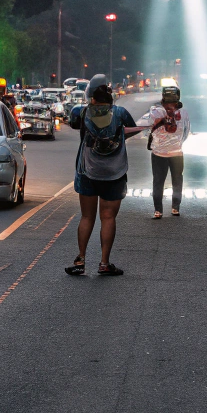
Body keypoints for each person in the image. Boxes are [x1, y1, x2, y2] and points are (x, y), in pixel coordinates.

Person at [65, 75, 141, 277]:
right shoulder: (120, 112)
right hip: (114, 173)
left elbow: (72, 123)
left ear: (92, 98)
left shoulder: (81, 112)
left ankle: (80, 260)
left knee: (87, 216)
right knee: (108, 217)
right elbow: (131, 130)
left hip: (87, 171)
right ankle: (104, 263)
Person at [137, 86, 191, 218]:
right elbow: (186, 131)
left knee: (158, 181)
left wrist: (158, 144)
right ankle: (175, 208)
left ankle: (158, 211)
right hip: (177, 153)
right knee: (177, 180)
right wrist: (178, 144)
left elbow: (147, 129)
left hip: (158, 154)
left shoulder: (155, 112)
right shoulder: (183, 112)